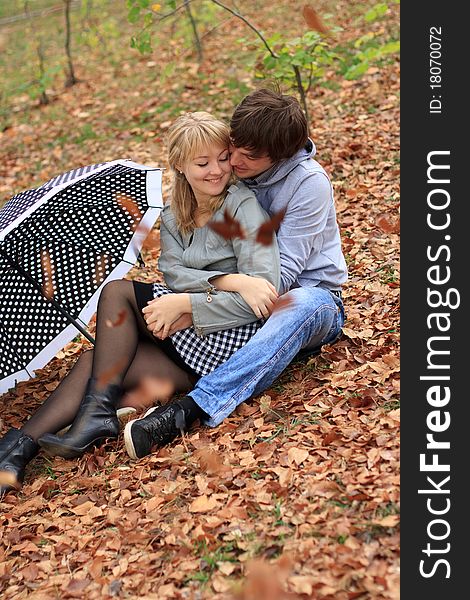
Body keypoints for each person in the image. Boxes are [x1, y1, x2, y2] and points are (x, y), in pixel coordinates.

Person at [0, 111, 280, 496]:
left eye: (221, 158)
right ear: (180, 166)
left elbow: (263, 294)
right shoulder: (175, 212)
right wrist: (225, 279)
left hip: (228, 335)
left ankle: (95, 416)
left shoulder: (242, 206)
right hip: (188, 345)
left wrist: (191, 304)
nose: (216, 171)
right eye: (202, 163)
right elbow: (173, 272)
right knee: (96, 361)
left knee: (117, 292)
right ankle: (16, 452)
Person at [122, 88, 347, 460]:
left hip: (312, 299)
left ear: (281, 155)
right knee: (140, 296)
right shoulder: (228, 173)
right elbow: (199, 261)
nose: (234, 161)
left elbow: (275, 284)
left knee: (298, 303)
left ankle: (190, 409)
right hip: (241, 296)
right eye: (234, 147)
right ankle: (114, 396)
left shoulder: (309, 184)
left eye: (250, 155)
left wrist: (193, 306)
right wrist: (203, 290)